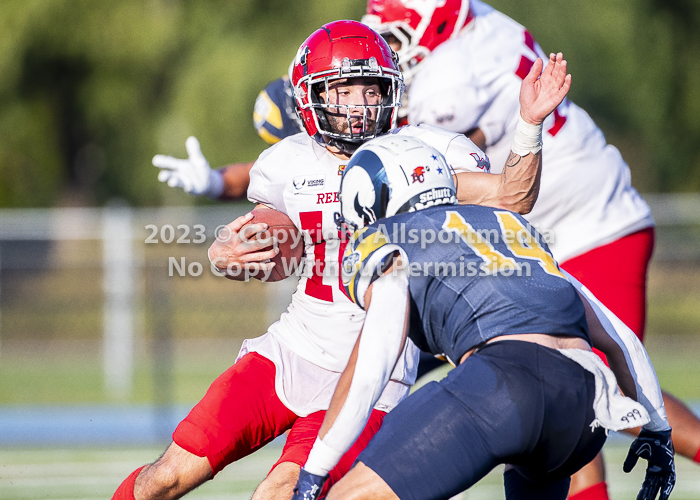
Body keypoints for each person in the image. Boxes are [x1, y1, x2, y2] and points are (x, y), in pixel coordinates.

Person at [113, 20, 571, 500]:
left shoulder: (426, 150)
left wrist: (530, 126)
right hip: (291, 351)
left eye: (369, 90)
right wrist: (223, 248)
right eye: (343, 90)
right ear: (311, 97)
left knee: (280, 490)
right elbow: (265, 233)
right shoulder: (287, 162)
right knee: (162, 479)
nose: (358, 105)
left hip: (374, 370)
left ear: (390, 92)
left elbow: (512, 197)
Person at [361, 1, 700, 497]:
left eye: (395, 35)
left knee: (586, 381)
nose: (389, 48)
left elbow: (430, 164)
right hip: (561, 222)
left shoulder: (449, 74)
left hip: (586, 224)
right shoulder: (485, 25)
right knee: (570, 389)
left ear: (435, 22)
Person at [291, 134, 676, 500]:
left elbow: (375, 357)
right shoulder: (511, 227)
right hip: (584, 404)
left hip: (502, 387)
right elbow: (618, 336)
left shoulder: (389, 237)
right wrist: (659, 433)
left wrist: (316, 470)